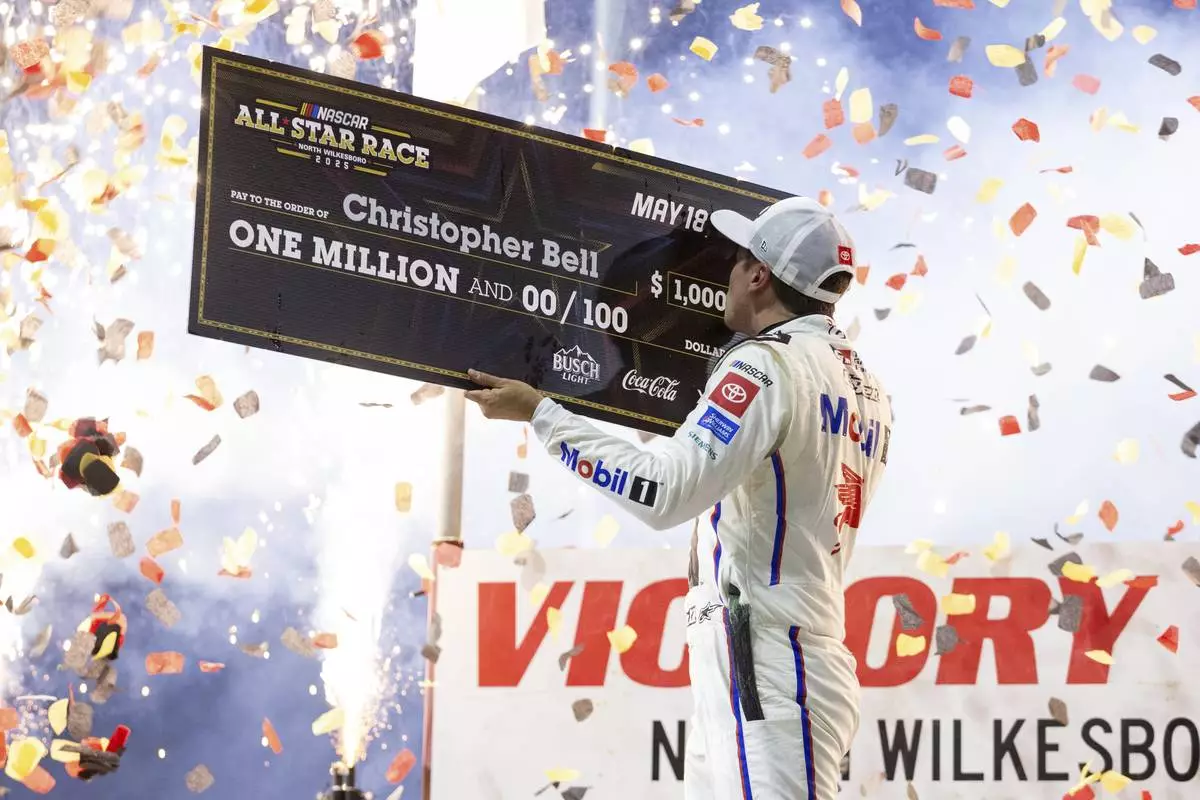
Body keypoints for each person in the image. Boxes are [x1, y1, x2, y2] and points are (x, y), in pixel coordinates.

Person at [466, 196, 893, 800]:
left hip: (765, 659)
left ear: (757, 275)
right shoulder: (867, 384)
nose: (724, 272)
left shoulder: (765, 367)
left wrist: (542, 414)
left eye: (736, 258)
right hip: (782, 650)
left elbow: (664, 493)